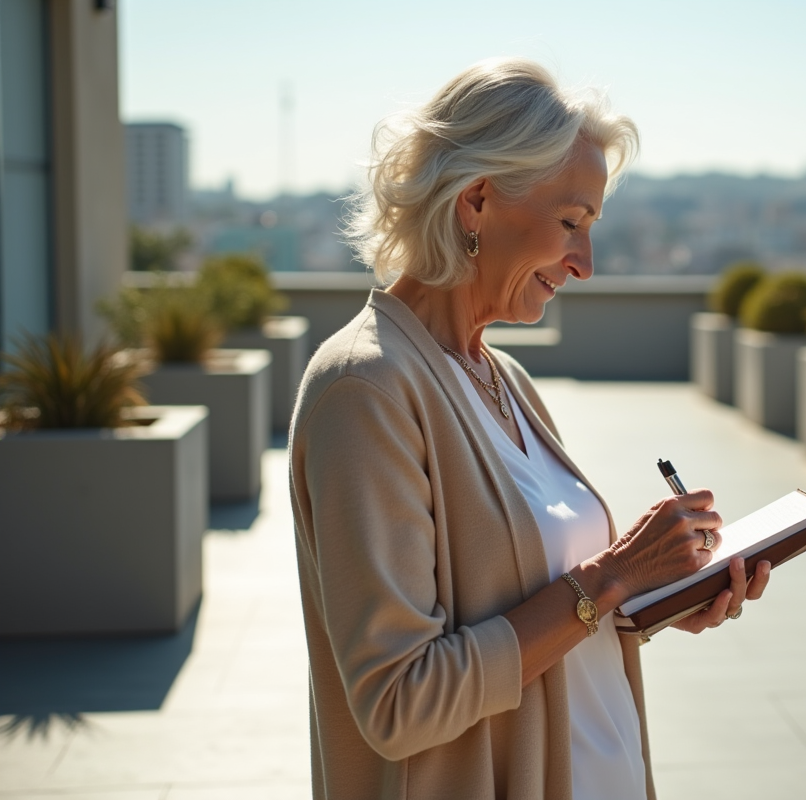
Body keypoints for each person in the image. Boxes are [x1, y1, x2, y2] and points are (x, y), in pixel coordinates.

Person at [288, 58, 771, 800]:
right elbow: (401, 700)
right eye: (570, 223)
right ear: (476, 201)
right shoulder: (365, 389)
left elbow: (546, 616)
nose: (585, 264)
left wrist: (652, 596)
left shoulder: (504, 378)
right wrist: (613, 575)